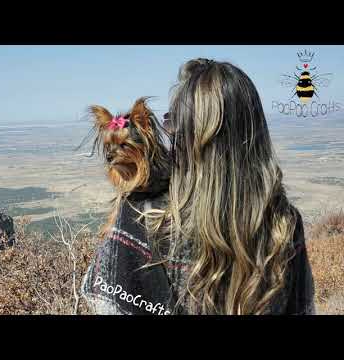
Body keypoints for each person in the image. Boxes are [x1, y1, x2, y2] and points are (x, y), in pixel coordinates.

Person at [81, 58, 315, 315]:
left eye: (172, 122)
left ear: (193, 137)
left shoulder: (143, 217)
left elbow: (109, 302)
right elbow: (302, 308)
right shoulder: (286, 224)